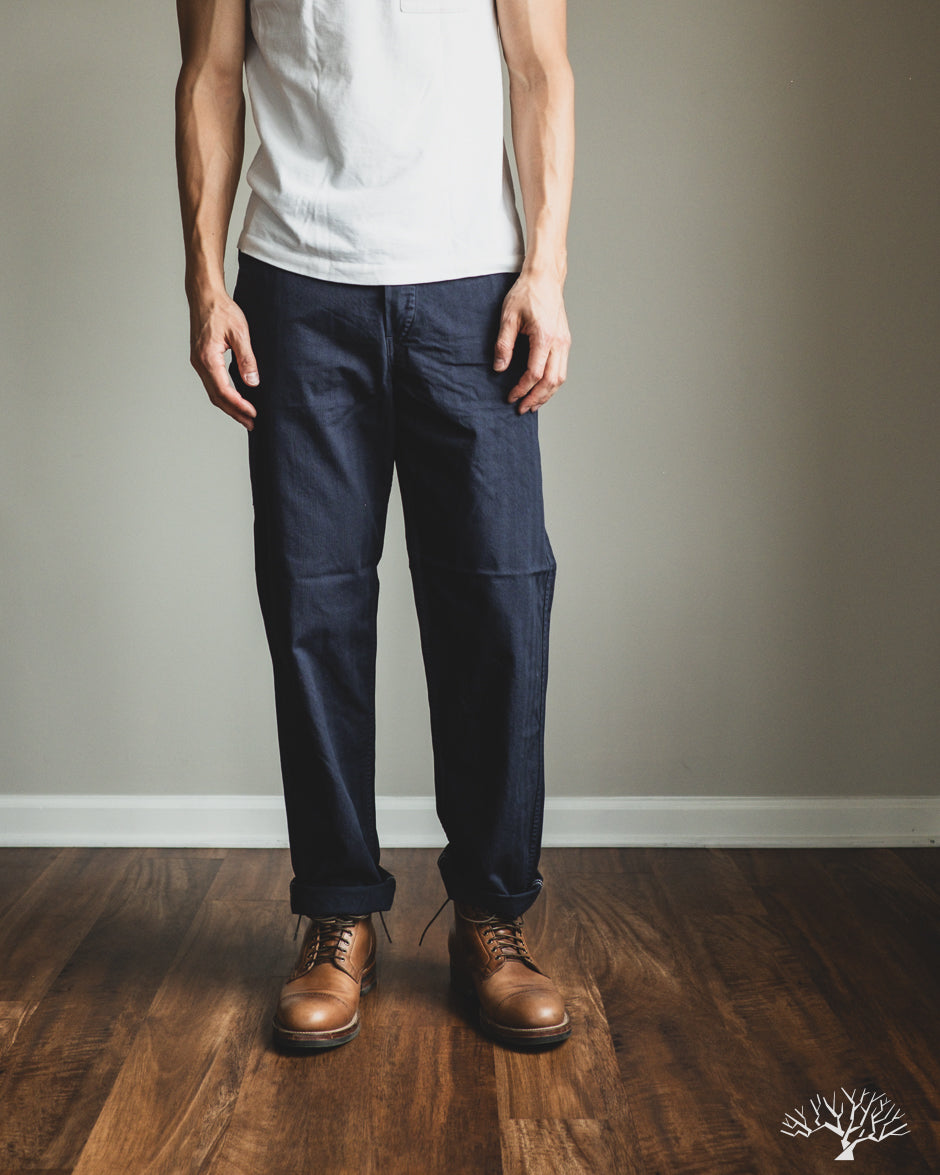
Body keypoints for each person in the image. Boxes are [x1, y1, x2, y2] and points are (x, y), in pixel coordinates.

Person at [175, 0, 574, 1051]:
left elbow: (541, 69)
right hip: (298, 289)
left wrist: (546, 269)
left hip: (473, 288)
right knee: (313, 606)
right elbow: (210, 72)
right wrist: (206, 282)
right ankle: (337, 913)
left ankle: (491, 918)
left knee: (498, 602)